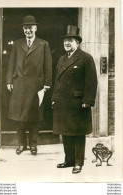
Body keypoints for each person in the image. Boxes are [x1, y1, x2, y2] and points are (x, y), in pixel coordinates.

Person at [52, 25, 97, 174]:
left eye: (70, 40)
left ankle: (78, 163)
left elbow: (91, 82)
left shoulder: (85, 58)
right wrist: (54, 98)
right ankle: (69, 160)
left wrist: (88, 100)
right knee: (65, 133)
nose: (67, 43)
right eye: (65, 40)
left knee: (78, 133)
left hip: (78, 103)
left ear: (77, 43)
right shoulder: (61, 59)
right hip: (63, 103)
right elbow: (57, 81)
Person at [6, 15, 52, 155]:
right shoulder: (17, 44)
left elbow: (48, 65)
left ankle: (33, 145)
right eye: (26, 28)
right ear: (23, 29)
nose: (28, 31)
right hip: (19, 85)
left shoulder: (43, 44)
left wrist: (47, 84)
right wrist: (9, 81)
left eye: (30, 28)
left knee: (34, 118)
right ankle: (21, 144)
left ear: (35, 28)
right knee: (19, 117)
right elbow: (11, 63)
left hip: (36, 86)